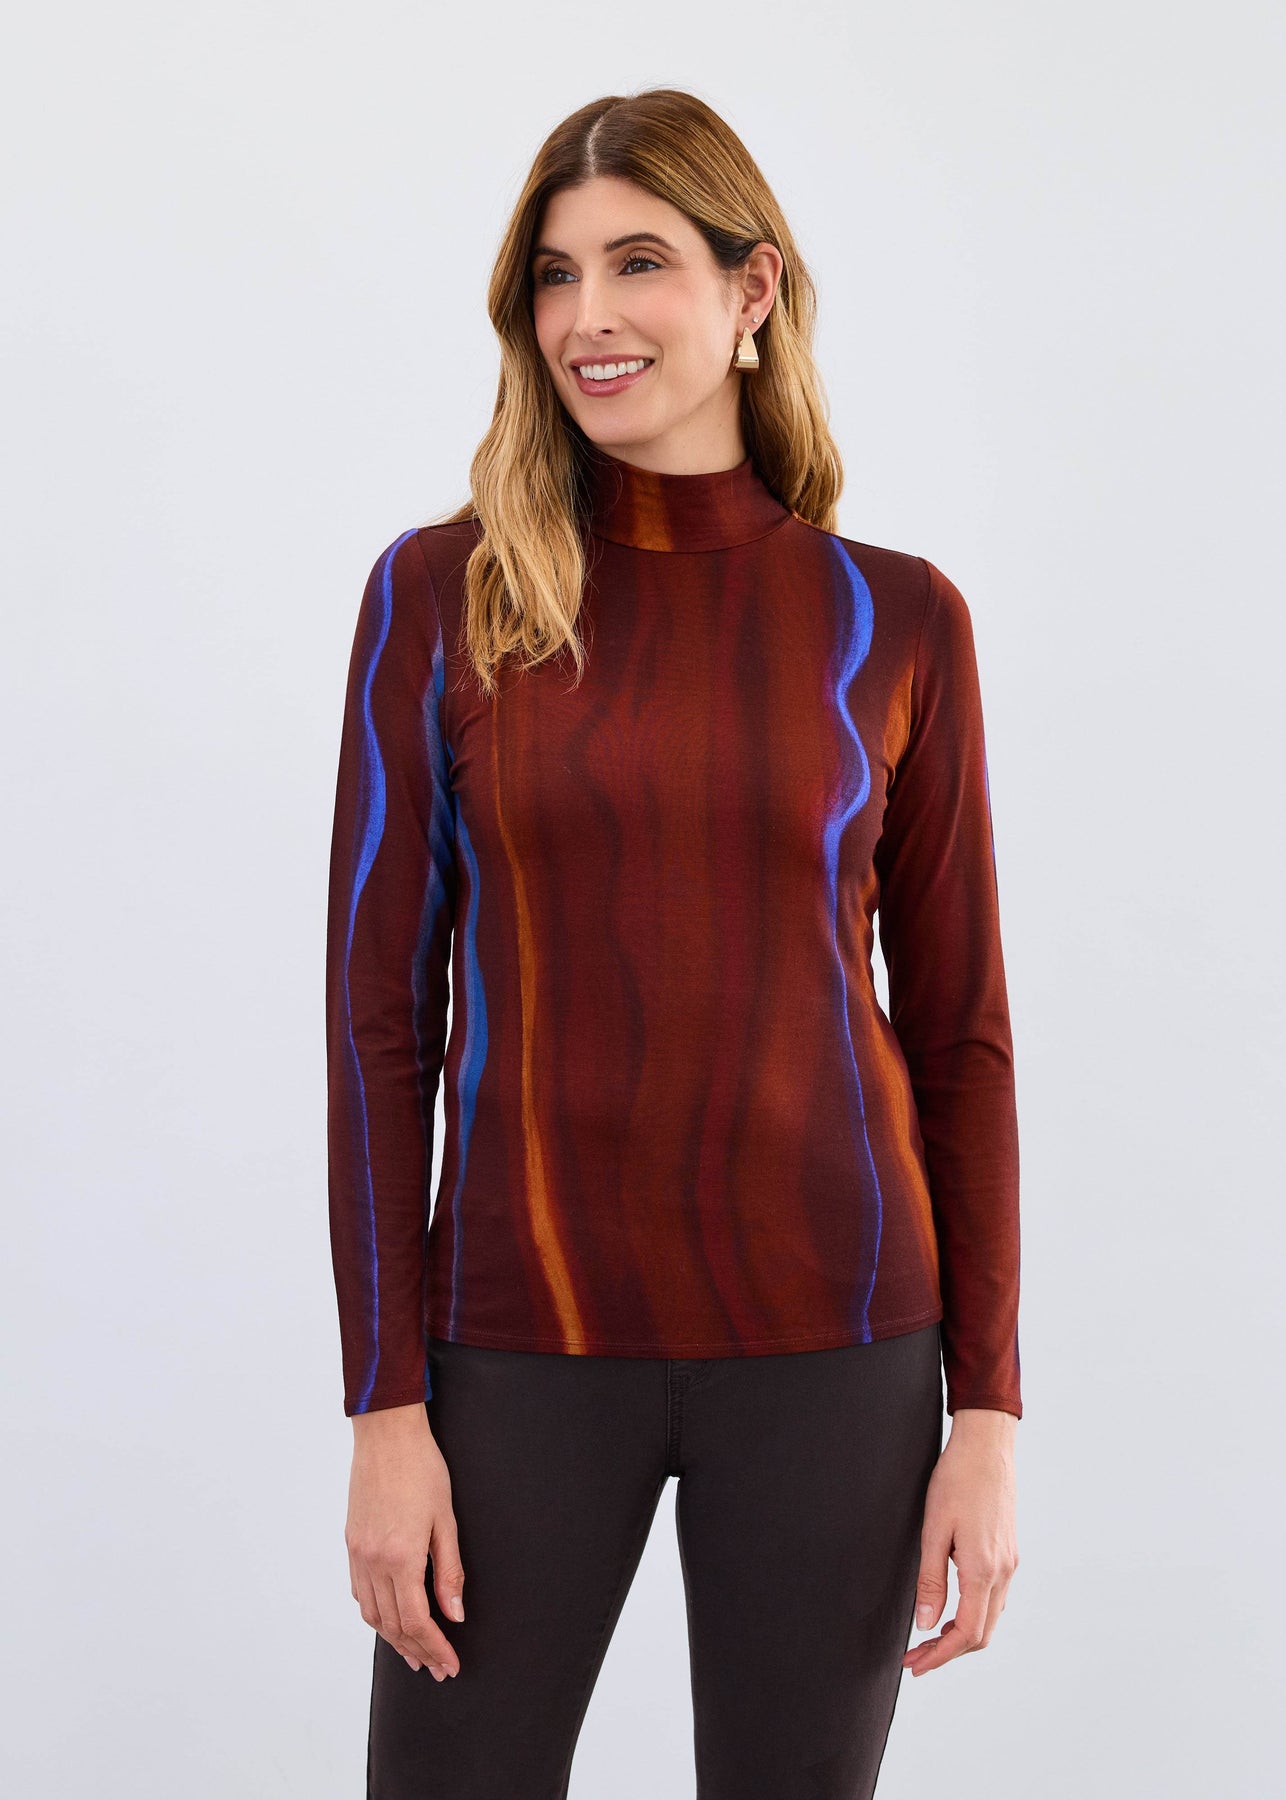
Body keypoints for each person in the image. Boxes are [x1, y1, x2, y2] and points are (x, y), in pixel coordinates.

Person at [326, 86, 1022, 1800]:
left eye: (638, 262)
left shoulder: (894, 618)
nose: (589, 316)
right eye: (554, 276)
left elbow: (957, 1035)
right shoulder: (443, 597)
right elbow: (377, 1027)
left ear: (750, 288)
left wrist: (988, 1414)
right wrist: (384, 1408)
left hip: (840, 1344)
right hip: (515, 1339)